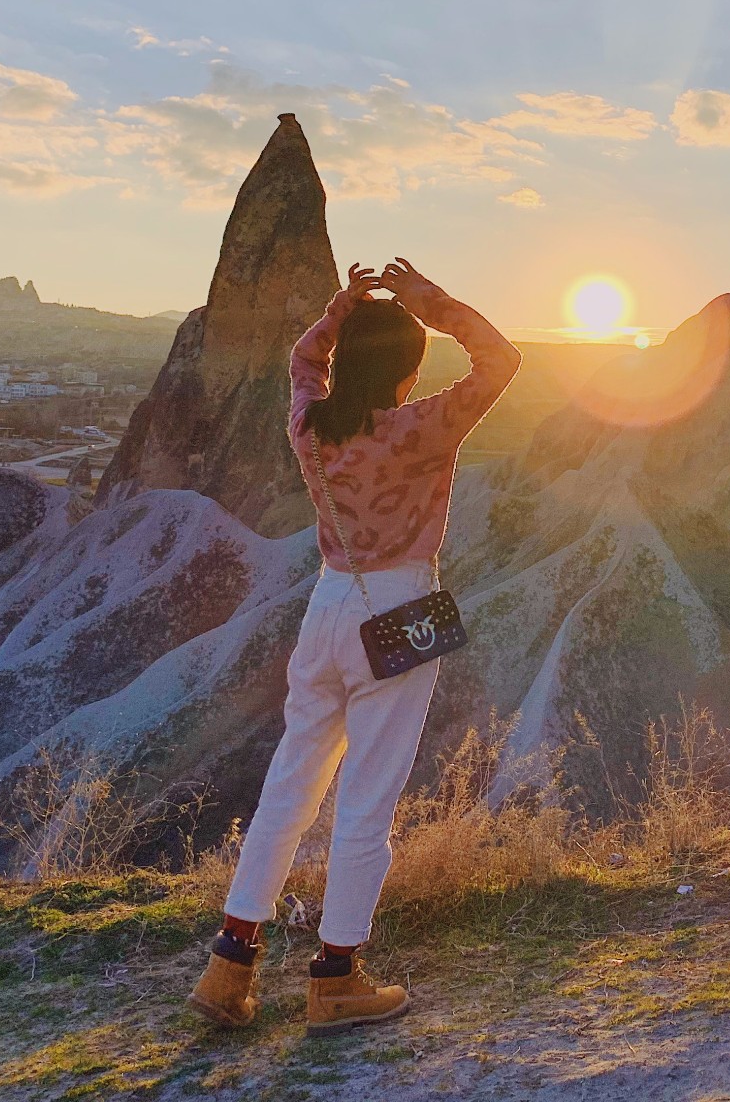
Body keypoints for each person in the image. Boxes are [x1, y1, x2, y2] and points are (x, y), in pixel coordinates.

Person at [187, 257, 519, 1032]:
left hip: (329, 603)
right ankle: (337, 975)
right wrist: (426, 299)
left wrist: (341, 306)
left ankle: (230, 964)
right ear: (407, 370)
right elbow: (502, 359)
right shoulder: (419, 426)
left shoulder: (311, 426)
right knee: (367, 799)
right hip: (401, 599)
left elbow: (302, 363)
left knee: (290, 786)